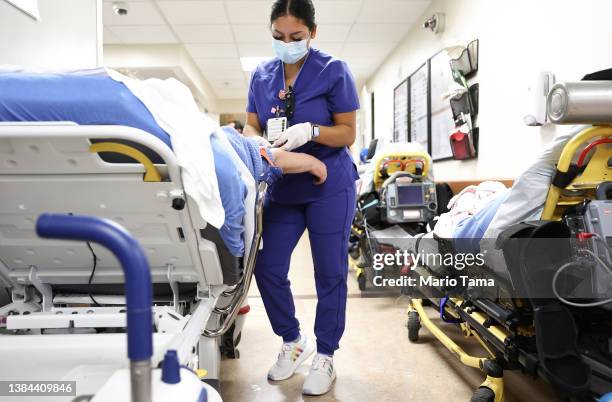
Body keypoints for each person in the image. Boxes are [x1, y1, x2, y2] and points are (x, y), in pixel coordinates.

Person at [243, 0, 360, 395]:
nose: (287, 43)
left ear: (312, 32)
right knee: (267, 265)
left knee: (330, 272)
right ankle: (293, 341)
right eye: (278, 37)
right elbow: (251, 123)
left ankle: (325, 354)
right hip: (284, 183)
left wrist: (311, 131)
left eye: (296, 37)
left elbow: (347, 133)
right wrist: (254, 140)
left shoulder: (333, 70)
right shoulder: (261, 75)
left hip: (330, 185)